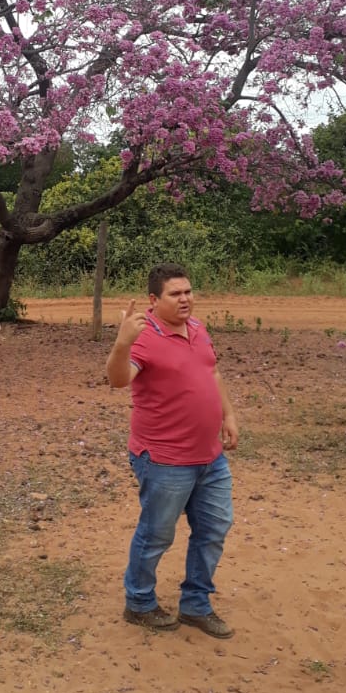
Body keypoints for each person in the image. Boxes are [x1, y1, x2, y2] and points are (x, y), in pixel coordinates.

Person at [106, 262, 239, 638]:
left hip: (210, 456)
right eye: (175, 294)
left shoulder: (197, 327)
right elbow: (118, 381)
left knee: (213, 529)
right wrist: (122, 342)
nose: (185, 299)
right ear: (154, 299)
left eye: (188, 291)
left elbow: (212, 372)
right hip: (164, 459)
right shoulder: (143, 335)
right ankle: (140, 602)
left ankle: (196, 604)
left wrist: (228, 414)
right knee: (157, 534)